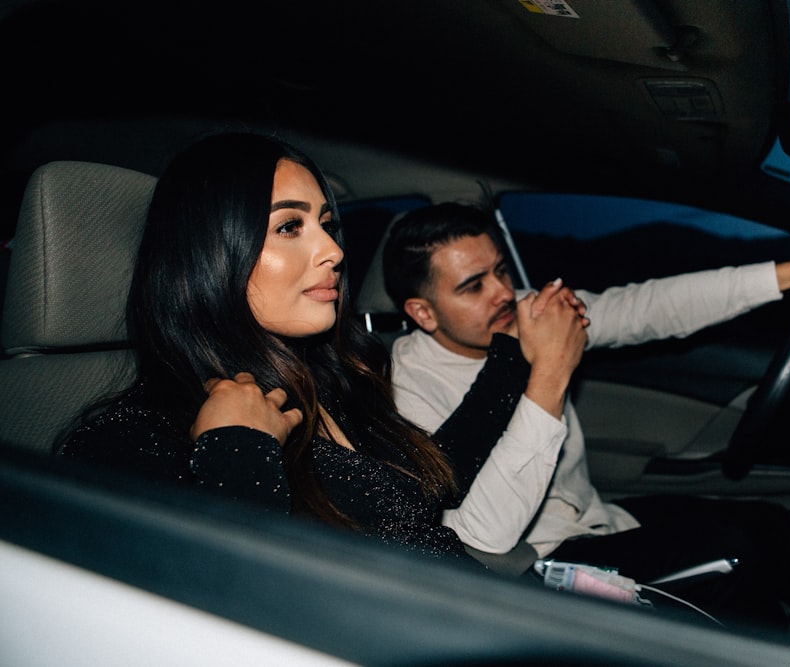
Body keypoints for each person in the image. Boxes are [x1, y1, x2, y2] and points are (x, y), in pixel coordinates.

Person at [57, 132, 587, 568]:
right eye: (290, 226)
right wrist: (237, 450)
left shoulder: (329, 382)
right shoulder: (126, 440)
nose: (333, 250)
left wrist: (518, 357)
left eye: (327, 225)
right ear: (210, 255)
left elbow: (432, 484)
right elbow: (227, 608)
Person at [382, 202, 790, 626]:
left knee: (772, 526)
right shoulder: (406, 394)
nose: (504, 293)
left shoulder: (525, 315)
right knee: (740, 557)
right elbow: (482, 539)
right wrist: (550, 371)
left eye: (502, 271)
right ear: (424, 313)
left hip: (597, 521)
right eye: (473, 286)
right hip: (532, 565)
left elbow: (645, 307)